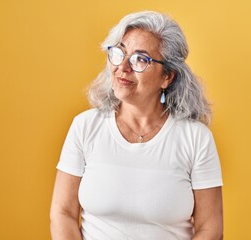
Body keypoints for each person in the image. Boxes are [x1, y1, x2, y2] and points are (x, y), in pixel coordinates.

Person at [50, 11, 223, 240]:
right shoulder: (85, 127)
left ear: (167, 77)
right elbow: (63, 213)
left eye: (140, 59)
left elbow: (210, 228)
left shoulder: (196, 139)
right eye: (120, 52)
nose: (123, 67)